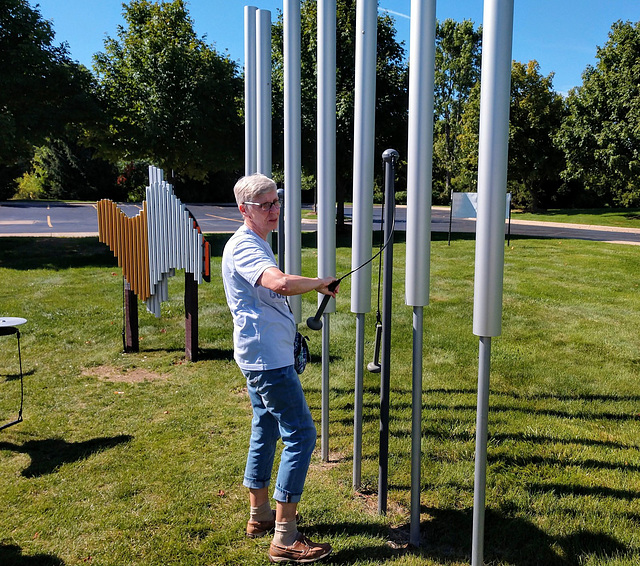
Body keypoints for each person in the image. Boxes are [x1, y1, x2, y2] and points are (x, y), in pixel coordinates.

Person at [221, 173, 338, 564]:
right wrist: (319, 282)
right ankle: (286, 537)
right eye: (265, 205)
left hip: (262, 354)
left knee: (265, 427)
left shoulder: (253, 242)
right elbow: (280, 284)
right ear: (243, 210)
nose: (274, 210)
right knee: (302, 434)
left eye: (276, 202)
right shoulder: (245, 247)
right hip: (267, 359)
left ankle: (260, 518)